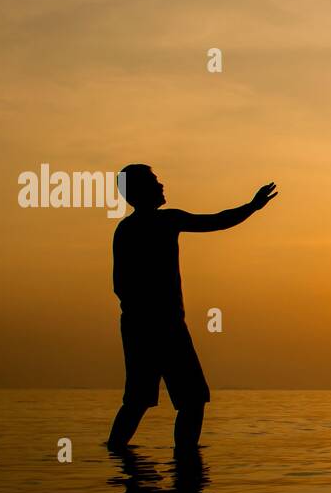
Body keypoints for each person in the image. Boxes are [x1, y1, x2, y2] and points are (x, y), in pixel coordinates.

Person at [106, 164, 277, 453]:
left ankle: (119, 456)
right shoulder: (161, 222)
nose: (161, 186)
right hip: (163, 326)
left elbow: (119, 285)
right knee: (191, 399)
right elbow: (216, 222)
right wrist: (253, 207)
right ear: (138, 191)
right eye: (154, 182)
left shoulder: (128, 229)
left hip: (138, 324)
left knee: (139, 400)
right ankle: (185, 464)